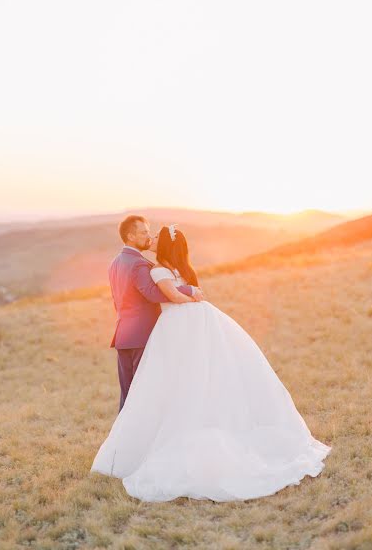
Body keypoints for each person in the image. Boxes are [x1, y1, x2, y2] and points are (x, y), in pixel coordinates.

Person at [91, 224, 332, 502]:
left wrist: (184, 293)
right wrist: (190, 290)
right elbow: (164, 294)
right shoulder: (169, 270)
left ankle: (134, 447)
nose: (150, 238)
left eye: (154, 236)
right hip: (178, 326)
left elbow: (163, 295)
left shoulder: (150, 268)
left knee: (147, 390)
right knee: (175, 382)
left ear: (165, 246)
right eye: (147, 233)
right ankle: (139, 443)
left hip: (168, 329)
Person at [108, 215, 203, 412]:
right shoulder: (138, 264)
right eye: (143, 232)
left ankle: (124, 438)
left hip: (123, 336)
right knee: (144, 392)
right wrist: (189, 290)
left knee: (128, 393)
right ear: (130, 236)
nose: (148, 237)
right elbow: (153, 293)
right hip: (142, 336)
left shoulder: (115, 263)